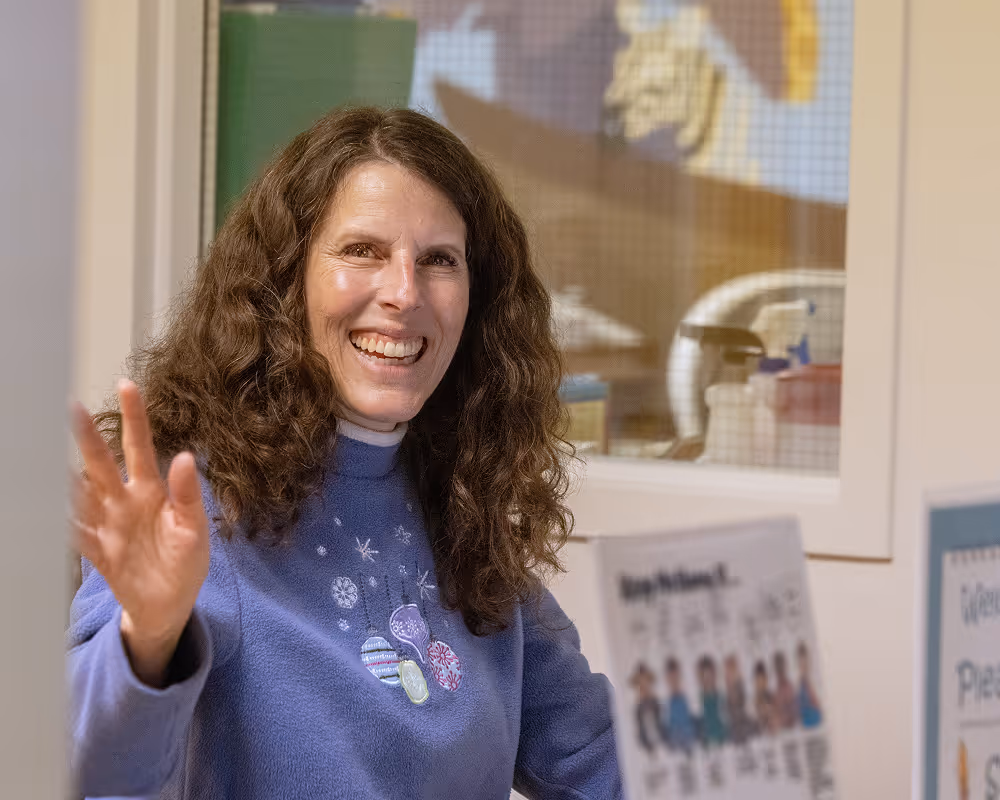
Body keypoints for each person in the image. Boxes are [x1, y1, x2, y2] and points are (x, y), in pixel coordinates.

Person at [67, 107, 622, 799]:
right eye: (362, 251)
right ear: (285, 281)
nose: (403, 293)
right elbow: (88, 770)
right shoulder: (196, 509)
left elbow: (599, 758)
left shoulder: (462, 506)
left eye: (438, 261)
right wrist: (144, 641)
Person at [662, 657, 697, 755]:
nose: (674, 680)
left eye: (676, 676)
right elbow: (668, 724)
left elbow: (692, 719)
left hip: (688, 740)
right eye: (671, 677)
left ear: (680, 676)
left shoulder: (686, 699)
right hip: (675, 742)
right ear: (667, 679)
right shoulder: (667, 703)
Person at [629, 661, 662, 754]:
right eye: (640, 683)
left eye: (646, 682)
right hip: (646, 744)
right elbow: (639, 729)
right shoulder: (638, 709)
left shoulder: (656, 704)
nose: (644, 686)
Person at [696, 656, 727, 747]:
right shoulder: (698, 699)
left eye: (709, 676)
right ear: (700, 679)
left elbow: (725, 720)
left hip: (722, 740)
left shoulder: (721, 697)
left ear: (714, 676)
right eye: (704, 678)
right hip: (706, 742)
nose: (707, 681)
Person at [797, 641, 824, 728]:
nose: (803, 666)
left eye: (805, 662)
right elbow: (800, 710)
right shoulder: (799, 683)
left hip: (818, 723)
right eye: (800, 663)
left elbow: (820, 706)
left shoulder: (817, 679)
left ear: (809, 661)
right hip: (806, 725)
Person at [752, 660, 780, 735]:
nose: (760, 684)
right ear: (755, 682)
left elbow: (776, 716)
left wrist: (769, 710)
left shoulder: (772, 696)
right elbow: (756, 718)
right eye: (758, 681)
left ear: (766, 680)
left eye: (762, 680)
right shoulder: (754, 700)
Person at [773, 650, 798, 729]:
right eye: (777, 666)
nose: (780, 669)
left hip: (793, 723)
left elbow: (794, 708)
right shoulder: (776, 689)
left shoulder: (790, 686)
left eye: (781, 665)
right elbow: (777, 710)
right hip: (783, 726)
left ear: (785, 666)